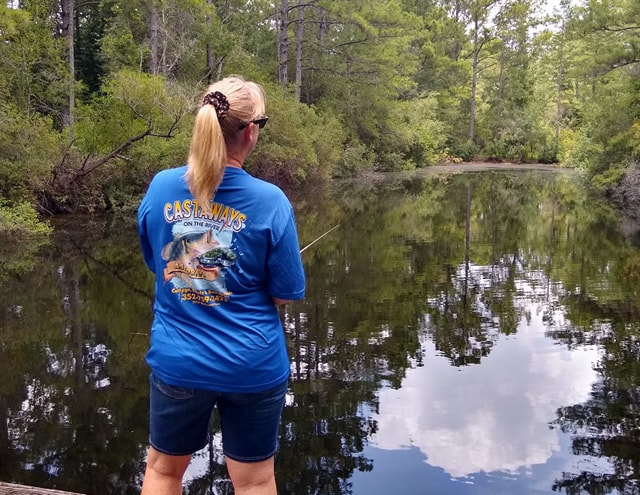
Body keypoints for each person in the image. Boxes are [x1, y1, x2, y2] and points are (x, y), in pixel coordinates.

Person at [137, 75, 306, 495]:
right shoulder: (271, 202)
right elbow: (284, 292)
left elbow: (157, 263)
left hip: (179, 362)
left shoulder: (160, 188)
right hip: (253, 365)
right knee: (255, 482)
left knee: (162, 472)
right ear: (251, 131)